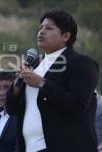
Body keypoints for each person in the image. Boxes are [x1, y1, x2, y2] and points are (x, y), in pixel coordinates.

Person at [6, 10, 100, 152]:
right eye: (40, 28)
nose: (41, 32)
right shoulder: (34, 65)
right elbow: (12, 109)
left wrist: (42, 83)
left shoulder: (81, 63)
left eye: (49, 28)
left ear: (66, 36)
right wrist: (17, 85)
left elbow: (77, 104)